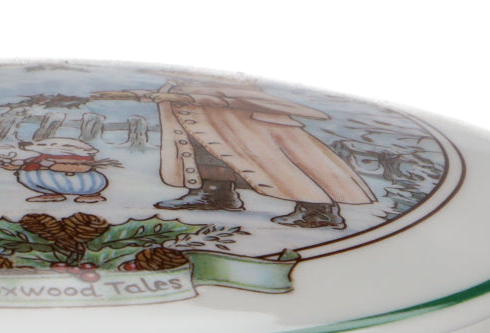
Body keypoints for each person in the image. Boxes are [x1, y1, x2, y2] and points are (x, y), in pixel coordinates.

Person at [93, 76, 375, 227]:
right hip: (201, 121)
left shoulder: (234, 74)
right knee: (206, 157)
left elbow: (238, 93)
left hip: (243, 126)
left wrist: (183, 96)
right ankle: (215, 195)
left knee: (278, 167)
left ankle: (318, 211)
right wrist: (141, 94)